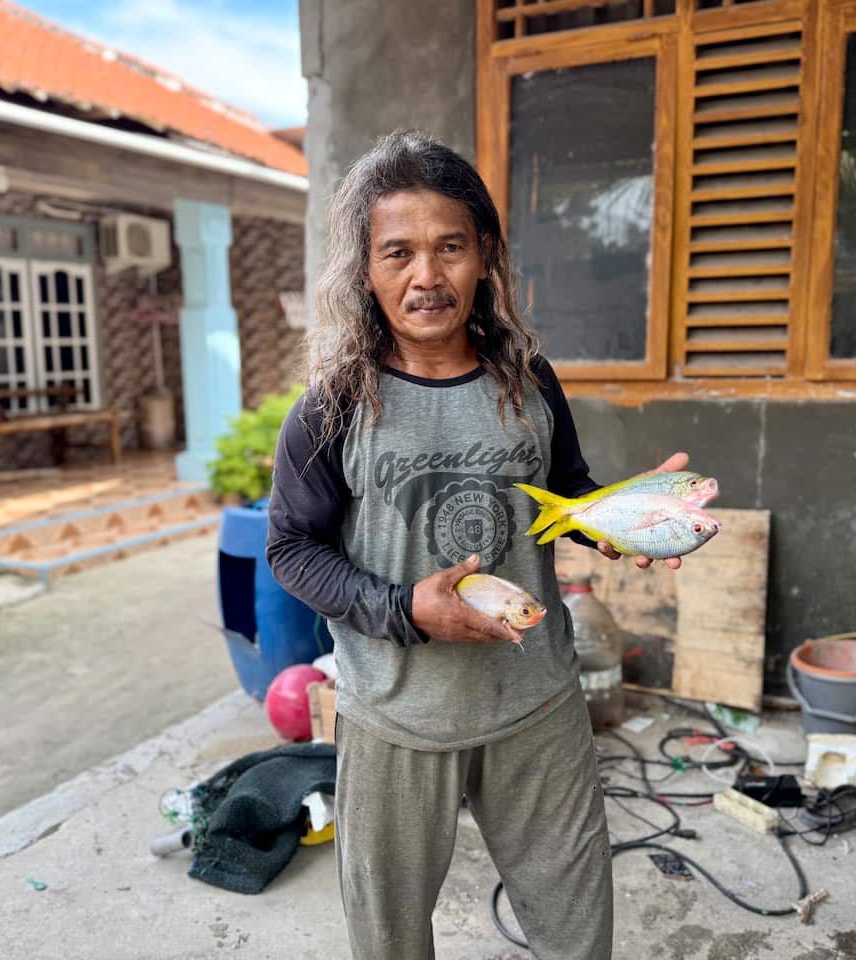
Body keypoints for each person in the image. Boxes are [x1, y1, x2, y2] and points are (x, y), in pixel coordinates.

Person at [266, 130, 688, 960]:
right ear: (366, 269)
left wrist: (617, 517)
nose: (427, 276)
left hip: (535, 703)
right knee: (389, 943)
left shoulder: (527, 376)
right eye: (399, 253)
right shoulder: (333, 406)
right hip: (396, 715)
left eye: (450, 246)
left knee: (577, 933)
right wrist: (402, 610)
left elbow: (564, 487)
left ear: (484, 253)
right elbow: (290, 546)